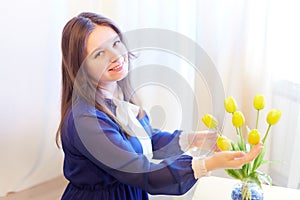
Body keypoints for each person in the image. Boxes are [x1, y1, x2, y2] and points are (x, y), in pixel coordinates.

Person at [56, 12, 262, 200]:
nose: (115, 55)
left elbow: (145, 141)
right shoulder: (86, 121)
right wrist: (208, 164)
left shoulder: (116, 95)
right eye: (99, 53)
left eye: (116, 43)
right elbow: (140, 170)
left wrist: (195, 139)